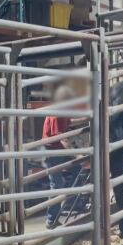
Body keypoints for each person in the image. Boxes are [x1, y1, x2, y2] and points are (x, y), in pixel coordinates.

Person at [43, 85, 81, 229]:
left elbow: (69, 123)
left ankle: (73, 202)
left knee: (79, 171)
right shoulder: (57, 112)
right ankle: (51, 220)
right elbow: (63, 138)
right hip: (53, 152)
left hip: (61, 150)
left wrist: (87, 119)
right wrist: (78, 155)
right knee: (56, 184)